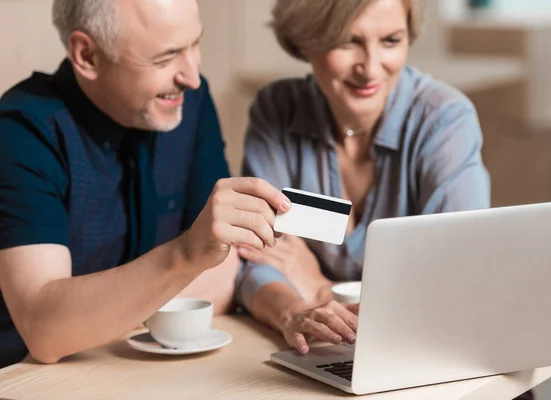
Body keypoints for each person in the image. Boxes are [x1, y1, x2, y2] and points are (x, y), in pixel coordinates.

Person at [0, 0, 291, 368]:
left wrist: (93, 319)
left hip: (142, 373)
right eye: (165, 58)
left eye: (194, 45)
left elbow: (224, 270)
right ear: (87, 55)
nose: (192, 76)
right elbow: (45, 331)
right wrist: (186, 256)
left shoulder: (190, 102)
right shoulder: (22, 132)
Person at [238, 0, 491, 354]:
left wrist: (322, 287)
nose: (371, 69)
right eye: (347, 41)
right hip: (325, 353)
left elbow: (457, 282)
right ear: (304, 40)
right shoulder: (276, 111)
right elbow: (258, 260)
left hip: (432, 353)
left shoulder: (445, 121)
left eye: (390, 40)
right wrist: (293, 312)